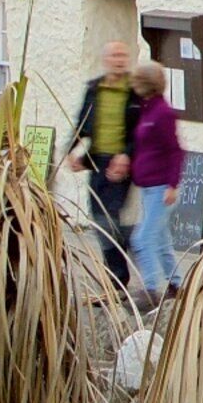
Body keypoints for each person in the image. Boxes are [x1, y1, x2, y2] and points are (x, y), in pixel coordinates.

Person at [64, 41, 139, 286]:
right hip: (97, 160)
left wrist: (126, 154)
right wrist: (71, 151)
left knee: (110, 216)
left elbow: (139, 131)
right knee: (99, 217)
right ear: (106, 60)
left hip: (121, 163)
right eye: (114, 55)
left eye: (122, 55)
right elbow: (82, 121)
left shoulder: (134, 92)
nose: (119, 59)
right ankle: (128, 253)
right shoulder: (95, 89)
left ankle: (117, 277)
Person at [126, 60, 189, 298]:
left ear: (146, 84)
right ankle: (176, 284)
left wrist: (173, 184)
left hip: (161, 188)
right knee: (161, 240)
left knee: (142, 238)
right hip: (148, 187)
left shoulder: (162, 113)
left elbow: (175, 151)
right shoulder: (147, 109)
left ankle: (150, 289)